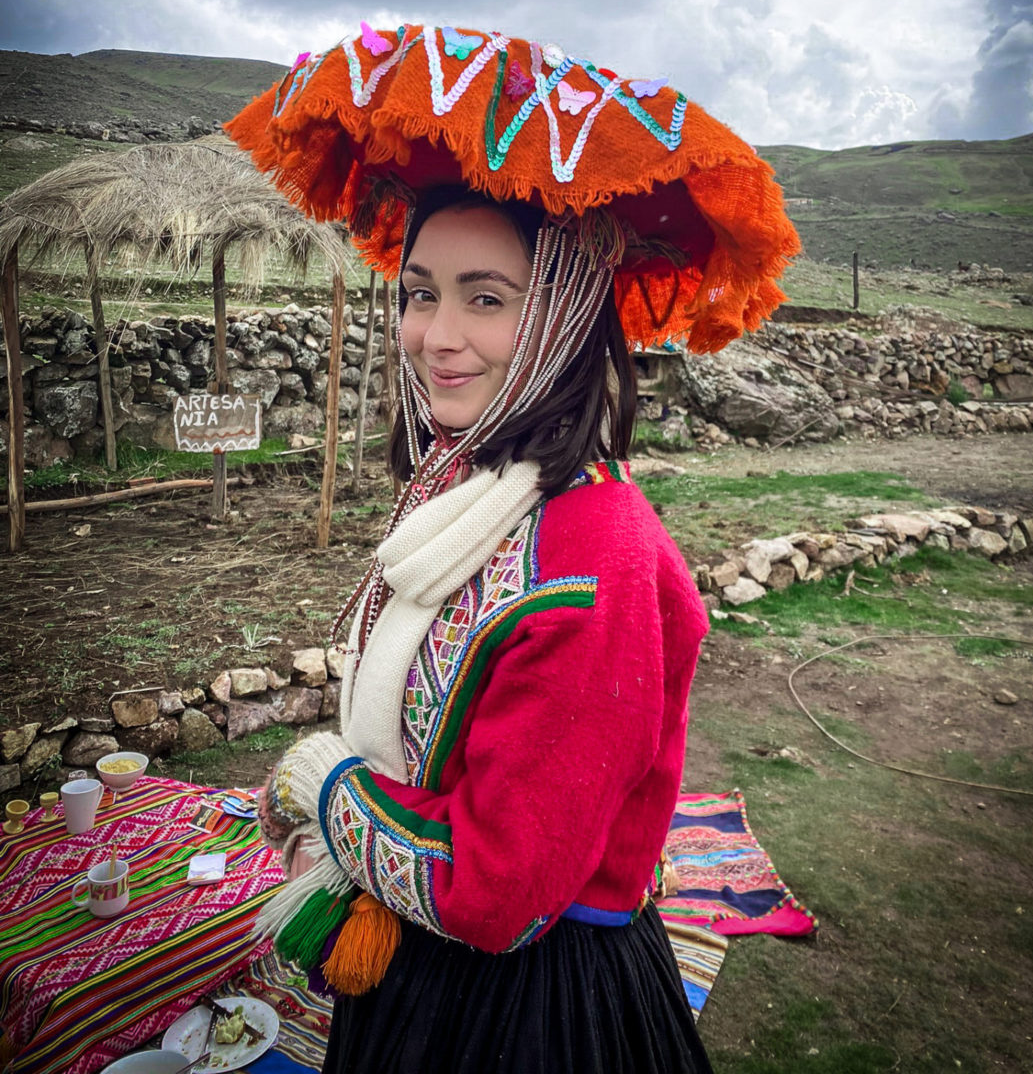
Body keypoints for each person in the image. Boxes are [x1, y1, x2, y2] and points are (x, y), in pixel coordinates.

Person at [257, 183, 713, 1074]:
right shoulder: (477, 500)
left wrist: (331, 790)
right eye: (422, 293)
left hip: (523, 1016)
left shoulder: (592, 562)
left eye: (487, 298)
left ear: (565, 317)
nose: (439, 337)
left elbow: (496, 887)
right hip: (421, 979)